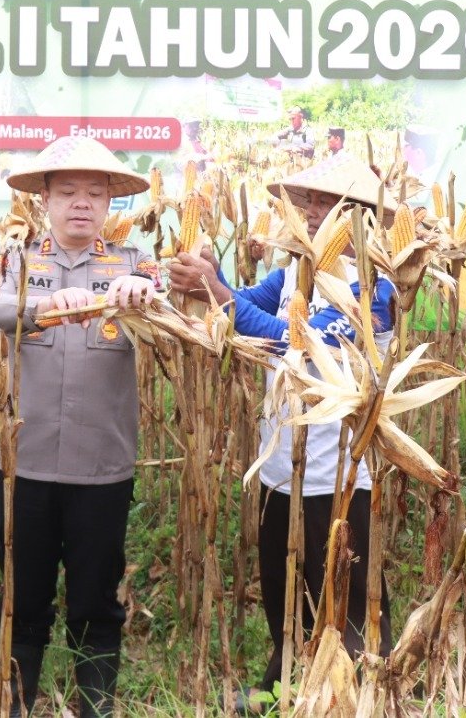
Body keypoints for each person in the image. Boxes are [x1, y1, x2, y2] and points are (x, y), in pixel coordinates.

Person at [167, 152, 394, 714]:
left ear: (361, 216)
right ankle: (284, 684)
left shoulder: (375, 290)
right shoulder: (295, 272)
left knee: (343, 596)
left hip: (336, 473)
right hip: (280, 467)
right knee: (284, 593)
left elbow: (291, 342)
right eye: (308, 201)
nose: (312, 212)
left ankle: (358, 692)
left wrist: (217, 295)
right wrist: (210, 280)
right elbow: (245, 306)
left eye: (327, 203)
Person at [0, 136, 160, 717]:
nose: (82, 203)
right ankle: (16, 704)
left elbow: (174, 314)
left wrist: (146, 297)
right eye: (68, 193)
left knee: (96, 602)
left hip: (101, 468)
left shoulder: (134, 265)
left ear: (108, 204)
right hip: (24, 464)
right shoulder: (16, 262)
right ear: (45, 201)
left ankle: (94, 707)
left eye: (95, 194)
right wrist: (43, 306)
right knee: (23, 599)